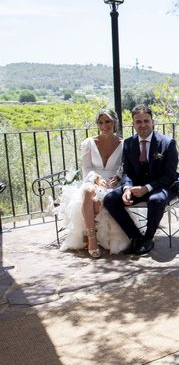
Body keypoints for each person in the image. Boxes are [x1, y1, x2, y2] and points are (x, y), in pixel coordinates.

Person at [103, 105, 179, 255]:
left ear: (153, 122)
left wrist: (147, 188)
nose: (142, 125)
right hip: (135, 187)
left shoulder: (167, 143)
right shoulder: (129, 143)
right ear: (133, 124)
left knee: (156, 200)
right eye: (138, 122)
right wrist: (126, 188)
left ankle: (148, 238)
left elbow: (169, 175)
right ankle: (136, 237)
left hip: (160, 186)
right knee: (110, 199)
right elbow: (127, 171)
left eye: (146, 120)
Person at [59, 109, 130, 256]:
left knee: (98, 200)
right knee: (87, 191)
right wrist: (95, 177)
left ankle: (92, 235)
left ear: (114, 122)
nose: (104, 126)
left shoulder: (124, 144)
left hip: (112, 184)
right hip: (92, 179)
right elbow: (86, 167)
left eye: (107, 121)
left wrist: (118, 176)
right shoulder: (89, 143)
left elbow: (125, 167)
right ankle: (91, 237)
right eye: (100, 122)